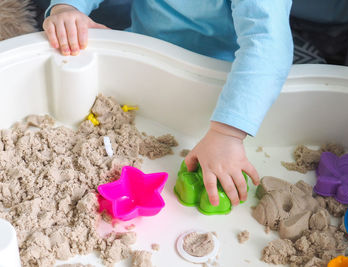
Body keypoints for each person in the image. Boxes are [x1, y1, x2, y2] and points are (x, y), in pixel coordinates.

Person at [43, 0, 294, 207]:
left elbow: (268, 43)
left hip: (226, 84)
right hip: (146, 51)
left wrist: (227, 133)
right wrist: (67, 9)